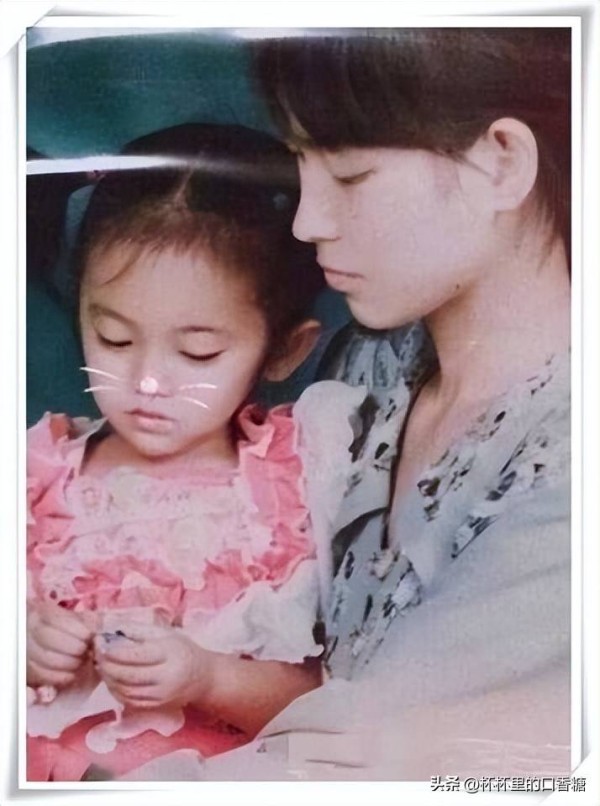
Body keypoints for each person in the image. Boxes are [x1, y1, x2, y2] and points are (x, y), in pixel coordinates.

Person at [183, 27, 571, 781]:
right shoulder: (366, 367)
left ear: (502, 162)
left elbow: (358, 769)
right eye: (300, 165)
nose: (307, 221)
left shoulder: (570, 468)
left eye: (350, 175)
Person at [25, 123, 364, 781]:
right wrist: (26, 646)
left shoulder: (292, 488)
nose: (148, 382)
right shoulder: (38, 474)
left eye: (198, 352)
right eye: (115, 340)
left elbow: (323, 704)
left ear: (285, 349)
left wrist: (207, 678)